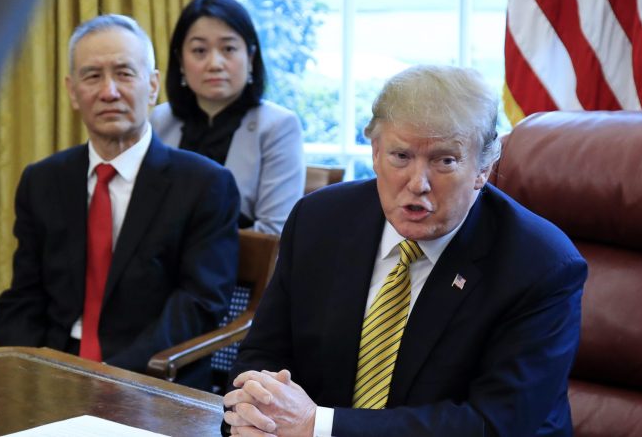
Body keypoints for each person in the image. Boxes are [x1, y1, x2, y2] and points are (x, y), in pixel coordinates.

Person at [223, 65, 587, 436]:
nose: (418, 183)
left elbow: (493, 424)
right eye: (401, 156)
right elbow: (261, 355)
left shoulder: (540, 266)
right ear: (376, 152)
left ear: (484, 167)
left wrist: (318, 426)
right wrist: (256, 415)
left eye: (445, 160)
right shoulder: (319, 220)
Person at [0, 14, 240, 390]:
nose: (109, 92)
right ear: (73, 92)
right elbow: (25, 294)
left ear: (152, 86)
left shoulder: (206, 184)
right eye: (92, 76)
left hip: (152, 374)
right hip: (53, 367)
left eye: (124, 73)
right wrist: (12, 374)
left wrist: (111, 374)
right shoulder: (42, 180)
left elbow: (199, 304)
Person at [150, 0, 304, 236]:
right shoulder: (159, 121)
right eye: (200, 50)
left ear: (250, 57)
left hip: (242, 270)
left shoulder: (278, 126)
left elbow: (274, 233)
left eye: (229, 49)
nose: (215, 63)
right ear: (181, 61)